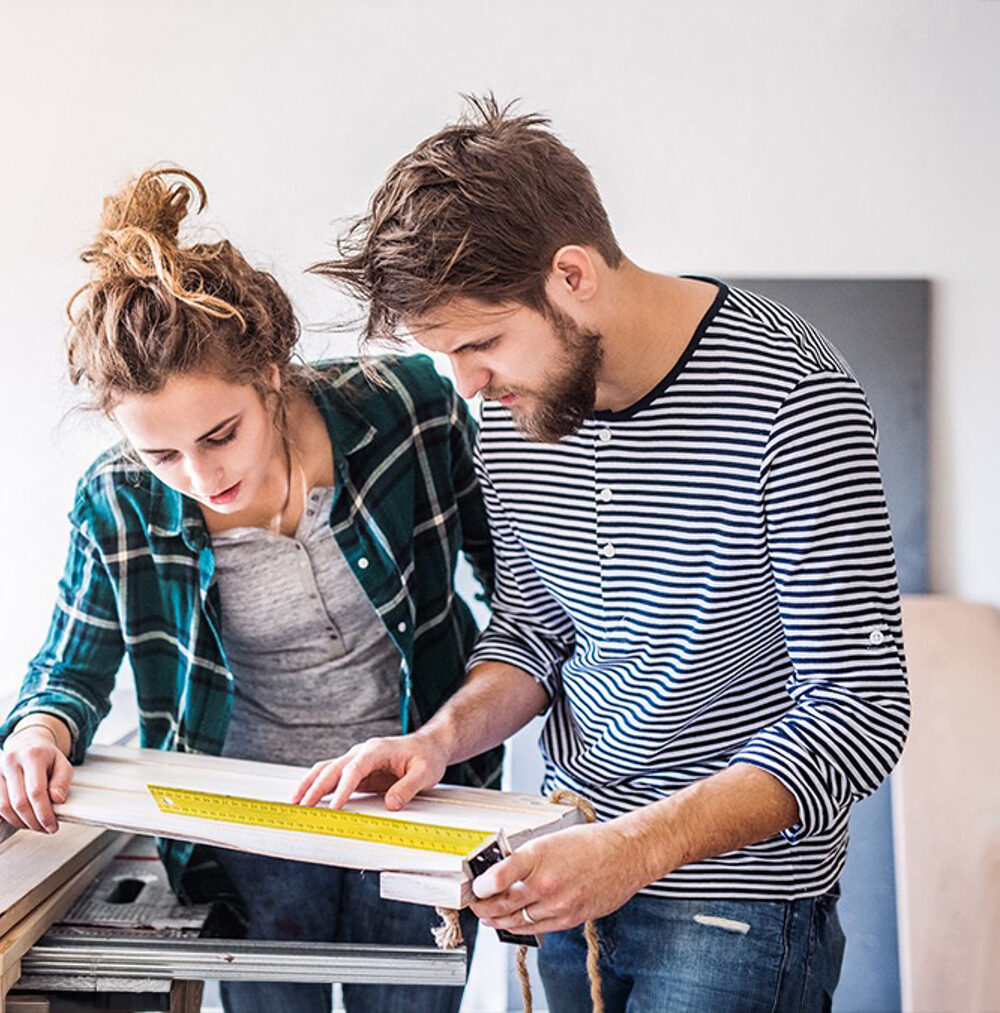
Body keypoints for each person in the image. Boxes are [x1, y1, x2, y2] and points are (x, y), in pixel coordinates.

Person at [296, 97, 911, 1011]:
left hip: (735, 918)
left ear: (573, 275)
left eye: (480, 344)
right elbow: (534, 633)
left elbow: (860, 716)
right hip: (566, 872)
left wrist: (634, 849)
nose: (464, 383)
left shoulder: (794, 402)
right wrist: (437, 740)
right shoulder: (511, 414)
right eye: (445, 355)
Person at [0, 166, 497, 1012]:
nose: (201, 475)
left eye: (221, 434)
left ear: (271, 370)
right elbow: (70, 668)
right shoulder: (118, 500)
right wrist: (37, 732)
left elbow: (523, 588)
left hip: (418, 801)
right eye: (163, 454)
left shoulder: (409, 409)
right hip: (249, 816)